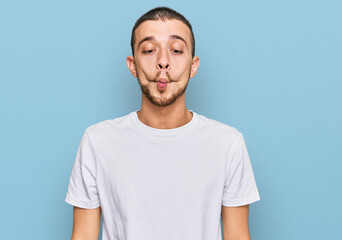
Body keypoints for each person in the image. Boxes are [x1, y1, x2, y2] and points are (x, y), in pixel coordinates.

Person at [65, 6, 260, 240]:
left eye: (176, 50)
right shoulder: (98, 142)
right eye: (148, 50)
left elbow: (238, 235)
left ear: (193, 66)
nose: (163, 62)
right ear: (132, 65)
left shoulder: (228, 144)